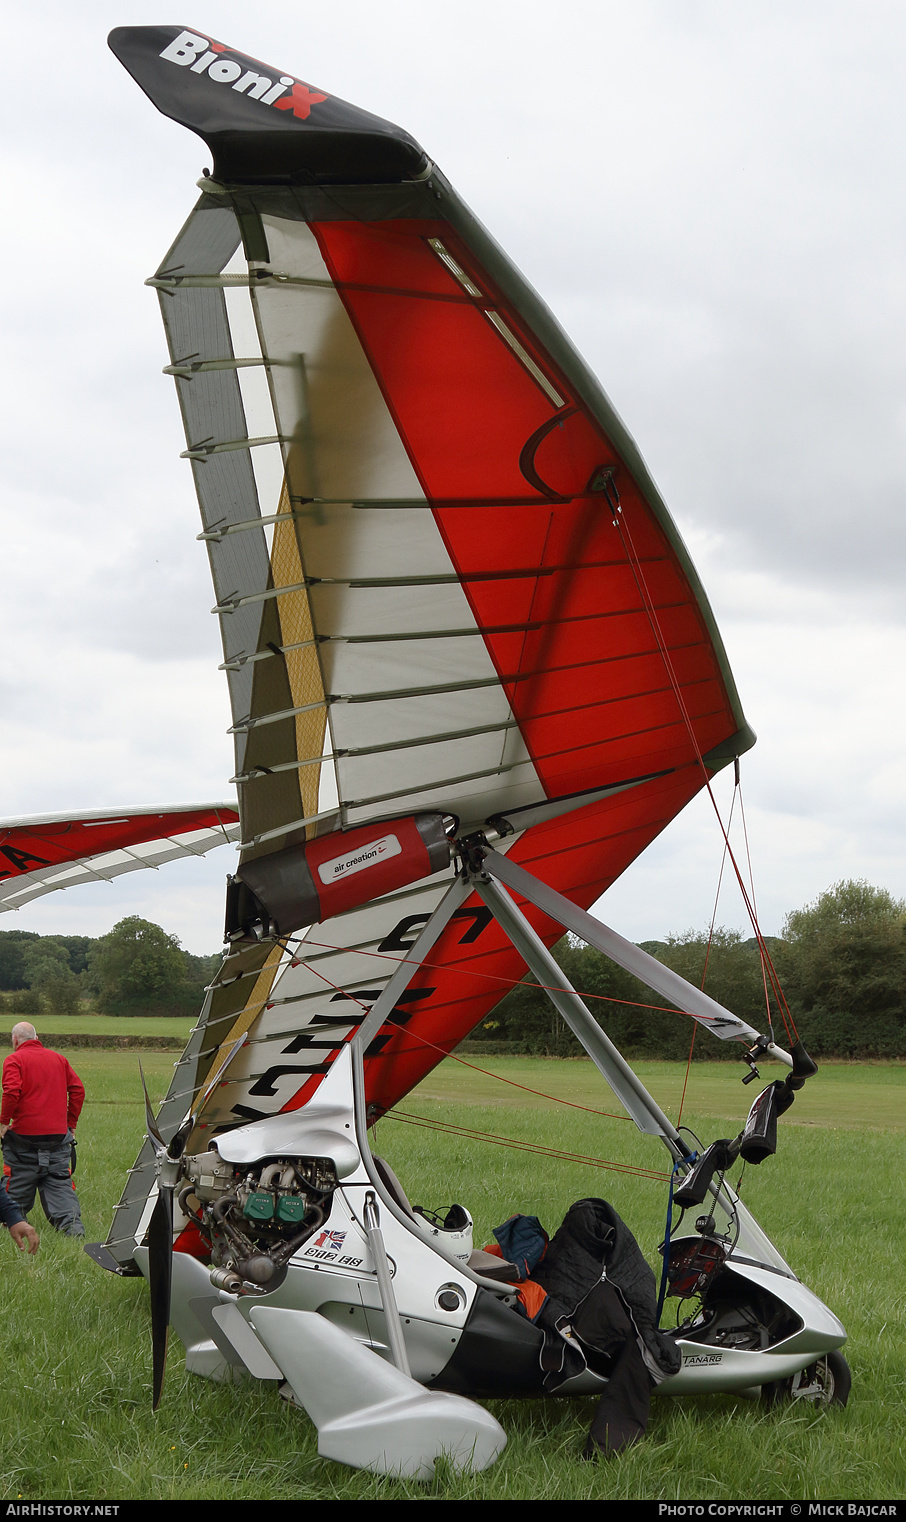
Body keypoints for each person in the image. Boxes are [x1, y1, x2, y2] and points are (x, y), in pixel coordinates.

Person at [1, 1022, 85, 1237]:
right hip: (58, 1139)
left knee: (16, 1187)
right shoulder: (59, 1059)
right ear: (36, 1037)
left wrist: (3, 1122)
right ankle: (74, 1234)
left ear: (15, 1040)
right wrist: (71, 1124)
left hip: (23, 1142)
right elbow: (78, 1090)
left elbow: (11, 1092)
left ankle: (9, 1229)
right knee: (59, 1186)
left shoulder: (14, 1060)